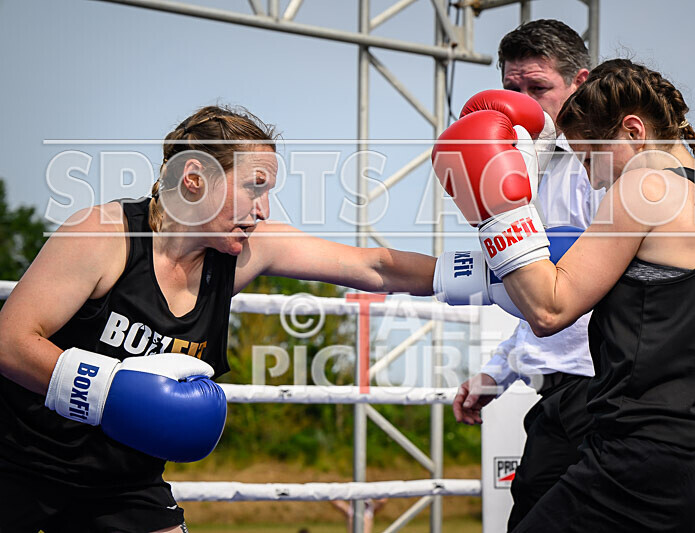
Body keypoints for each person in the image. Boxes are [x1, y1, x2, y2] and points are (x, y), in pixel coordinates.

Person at [0, 105, 436, 532]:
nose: (263, 210)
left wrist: (491, 272)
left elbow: (375, 266)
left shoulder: (244, 253)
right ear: (193, 179)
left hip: (123, 484)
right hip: (16, 463)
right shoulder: (104, 235)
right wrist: (109, 394)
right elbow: (9, 340)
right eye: (254, 187)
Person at [437, 59, 695, 531]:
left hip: (642, 458)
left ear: (632, 130)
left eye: (589, 156)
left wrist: (494, 211)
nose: (593, 178)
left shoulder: (645, 183)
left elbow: (549, 308)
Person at [448, 20, 604, 531]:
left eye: (538, 89)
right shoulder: (533, 170)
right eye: (511, 90)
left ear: (579, 83)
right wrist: (498, 371)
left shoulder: (602, 170)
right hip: (557, 396)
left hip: (607, 395)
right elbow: (538, 296)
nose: (524, 106)